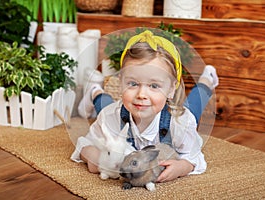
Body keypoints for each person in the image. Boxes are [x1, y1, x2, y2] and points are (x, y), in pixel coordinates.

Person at [71, 30, 219, 183]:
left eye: (154, 85)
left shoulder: (181, 123)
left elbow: (193, 157)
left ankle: (207, 80)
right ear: (121, 82)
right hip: (116, 112)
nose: (141, 94)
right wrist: (93, 157)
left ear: (171, 89)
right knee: (106, 108)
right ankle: (95, 91)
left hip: (174, 115)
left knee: (193, 108)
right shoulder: (110, 116)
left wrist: (182, 167)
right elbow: (84, 143)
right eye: (132, 84)